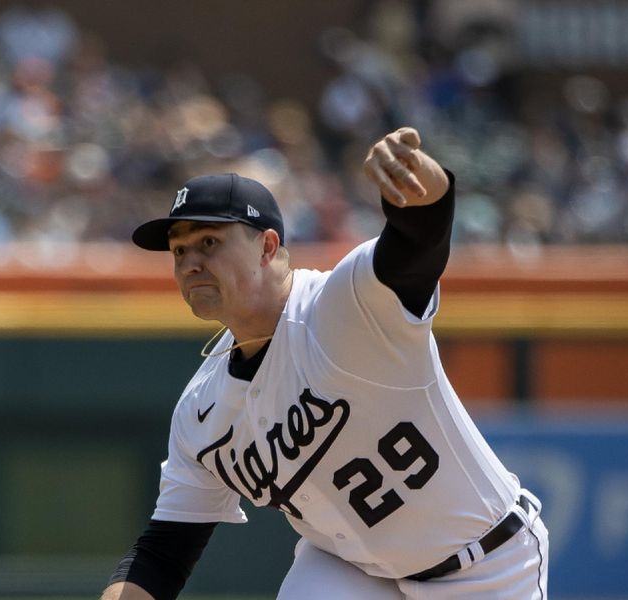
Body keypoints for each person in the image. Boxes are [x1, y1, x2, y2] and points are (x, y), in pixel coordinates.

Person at [102, 127, 549, 600]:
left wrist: (417, 178)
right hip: (349, 570)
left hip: (484, 563)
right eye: (179, 251)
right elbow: (163, 555)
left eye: (209, 242)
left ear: (268, 247)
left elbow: (421, 232)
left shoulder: (345, 304)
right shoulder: (200, 411)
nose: (190, 262)